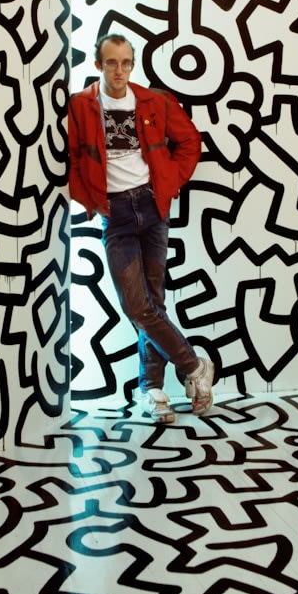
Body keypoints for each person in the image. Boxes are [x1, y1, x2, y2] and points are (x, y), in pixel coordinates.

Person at [67, 33, 215, 422]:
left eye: (126, 62)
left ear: (132, 65)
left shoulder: (155, 102)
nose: (119, 70)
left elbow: (190, 142)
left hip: (151, 207)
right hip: (115, 213)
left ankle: (153, 391)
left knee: (153, 302)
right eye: (111, 62)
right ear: (98, 66)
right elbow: (72, 157)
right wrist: (88, 199)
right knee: (137, 305)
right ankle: (194, 366)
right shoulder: (81, 106)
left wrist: (169, 182)